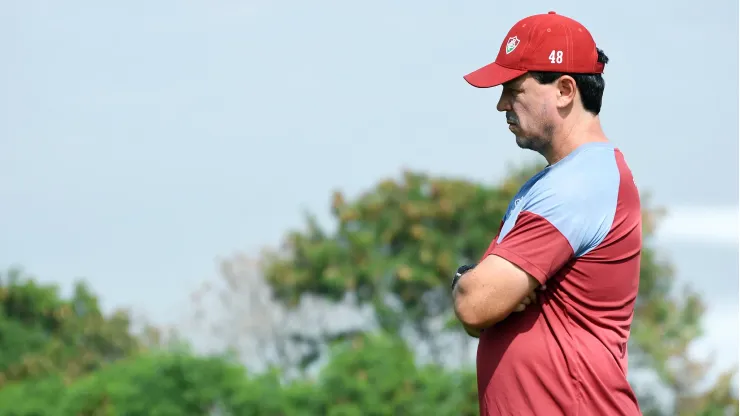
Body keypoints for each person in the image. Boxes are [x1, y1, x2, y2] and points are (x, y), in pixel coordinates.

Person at [450, 11, 643, 416]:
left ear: (564, 90)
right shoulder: (557, 183)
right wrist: (472, 283)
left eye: (514, 88)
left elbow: (474, 303)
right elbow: (480, 309)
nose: (502, 103)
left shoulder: (579, 184)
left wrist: (470, 284)